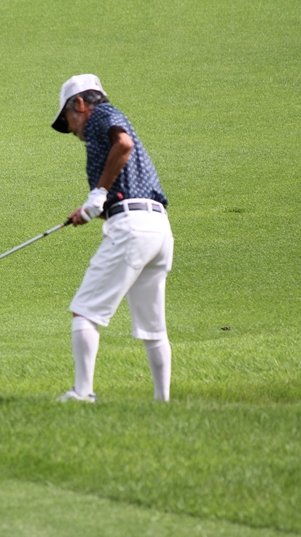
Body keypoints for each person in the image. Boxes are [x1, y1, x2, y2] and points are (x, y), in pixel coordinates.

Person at [51, 74, 174, 403]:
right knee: (153, 327)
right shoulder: (101, 132)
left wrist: (98, 193)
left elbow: (124, 144)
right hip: (158, 229)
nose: (72, 130)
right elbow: (115, 194)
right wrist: (88, 211)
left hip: (133, 228)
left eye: (68, 119)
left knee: (85, 311)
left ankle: (82, 393)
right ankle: (163, 403)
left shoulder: (101, 115)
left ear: (80, 104)